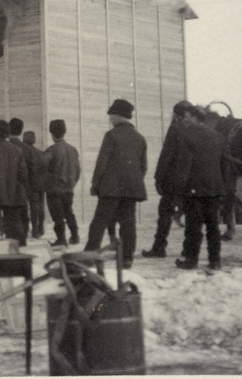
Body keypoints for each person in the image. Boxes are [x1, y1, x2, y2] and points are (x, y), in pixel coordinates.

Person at [83, 99, 148, 268]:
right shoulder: (140, 138)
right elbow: (143, 167)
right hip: (131, 189)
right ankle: (127, 258)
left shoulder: (111, 135)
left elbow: (102, 162)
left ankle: (89, 256)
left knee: (99, 223)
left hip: (110, 188)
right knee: (128, 223)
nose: (110, 119)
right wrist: (132, 182)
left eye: (112, 116)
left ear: (119, 116)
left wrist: (96, 183)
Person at [175, 106, 229, 271]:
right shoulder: (218, 136)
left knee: (193, 227)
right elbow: (225, 165)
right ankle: (215, 261)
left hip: (193, 189)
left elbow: (183, 165)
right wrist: (222, 186)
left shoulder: (186, 136)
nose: (184, 120)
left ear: (195, 117)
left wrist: (179, 189)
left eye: (187, 117)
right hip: (214, 189)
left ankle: (191, 261)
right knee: (213, 227)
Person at [142, 101, 195, 259]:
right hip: (192, 181)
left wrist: (158, 178)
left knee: (165, 213)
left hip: (174, 181)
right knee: (192, 215)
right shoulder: (198, 129)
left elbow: (166, 155)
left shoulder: (175, 128)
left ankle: (159, 248)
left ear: (177, 114)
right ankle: (189, 250)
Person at [43, 119, 81, 247]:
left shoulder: (52, 150)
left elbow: (42, 166)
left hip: (54, 189)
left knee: (57, 216)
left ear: (52, 134)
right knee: (69, 212)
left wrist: (47, 182)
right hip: (69, 189)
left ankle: (61, 239)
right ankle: (75, 236)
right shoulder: (73, 150)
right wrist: (72, 184)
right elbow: (78, 171)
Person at [11, 119, 49, 240]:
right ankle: (39, 229)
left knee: (31, 207)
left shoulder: (24, 150)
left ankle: (32, 231)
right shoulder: (41, 153)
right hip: (41, 183)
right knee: (39, 207)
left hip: (31, 183)